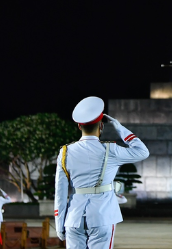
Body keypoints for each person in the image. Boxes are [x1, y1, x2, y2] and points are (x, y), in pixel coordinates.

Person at [54, 96, 149, 249]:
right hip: (102, 217)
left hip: (74, 219)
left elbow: (60, 193)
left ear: (79, 126)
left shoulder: (65, 153)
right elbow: (143, 152)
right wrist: (119, 127)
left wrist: (60, 225)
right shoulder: (111, 150)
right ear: (101, 126)